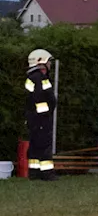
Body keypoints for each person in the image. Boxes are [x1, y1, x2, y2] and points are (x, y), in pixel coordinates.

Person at [24, 49, 57, 181]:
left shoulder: (32, 77)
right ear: (41, 61)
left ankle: (34, 172)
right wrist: (46, 114)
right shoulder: (39, 78)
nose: (50, 64)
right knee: (44, 145)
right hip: (41, 119)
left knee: (35, 145)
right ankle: (47, 174)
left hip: (34, 119)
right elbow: (39, 98)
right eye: (48, 61)